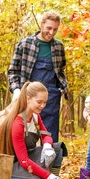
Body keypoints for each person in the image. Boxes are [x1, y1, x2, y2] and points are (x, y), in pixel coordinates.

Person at [0, 81, 68, 179]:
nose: (42, 106)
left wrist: (47, 146)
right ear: (28, 99)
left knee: (58, 149)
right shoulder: (18, 124)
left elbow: (45, 135)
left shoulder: (35, 116)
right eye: (39, 102)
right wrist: (49, 176)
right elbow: (24, 161)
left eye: (45, 102)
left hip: (27, 157)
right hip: (13, 165)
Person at [8, 10, 68, 143]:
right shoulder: (25, 44)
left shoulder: (59, 47)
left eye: (55, 29)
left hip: (51, 98)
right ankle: (25, 163)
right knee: (26, 135)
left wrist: (62, 89)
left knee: (49, 136)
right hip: (28, 98)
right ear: (41, 24)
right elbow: (13, 71)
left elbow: (61, 71)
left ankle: (50, 163)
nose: (51, 32)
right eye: (49, 28)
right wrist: (17, 90)